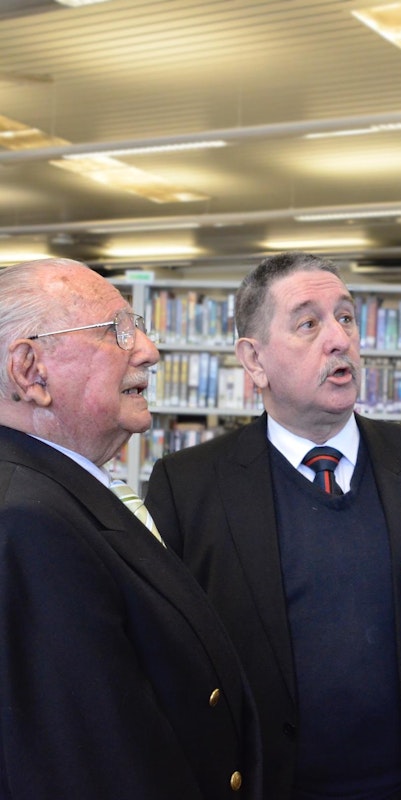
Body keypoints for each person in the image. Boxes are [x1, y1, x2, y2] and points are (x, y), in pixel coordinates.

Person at [145, 250, 401, 800]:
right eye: (308, 323)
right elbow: (171, 667)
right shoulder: (189, 487)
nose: (339, 339)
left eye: (345, 317)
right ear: (254, 360)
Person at [0, 258, 262, 799]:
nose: (148, 350)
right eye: (118, 330)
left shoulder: (58, 489)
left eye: (139, 326)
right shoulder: (27, 521)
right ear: (31, 371)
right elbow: (83, 762)